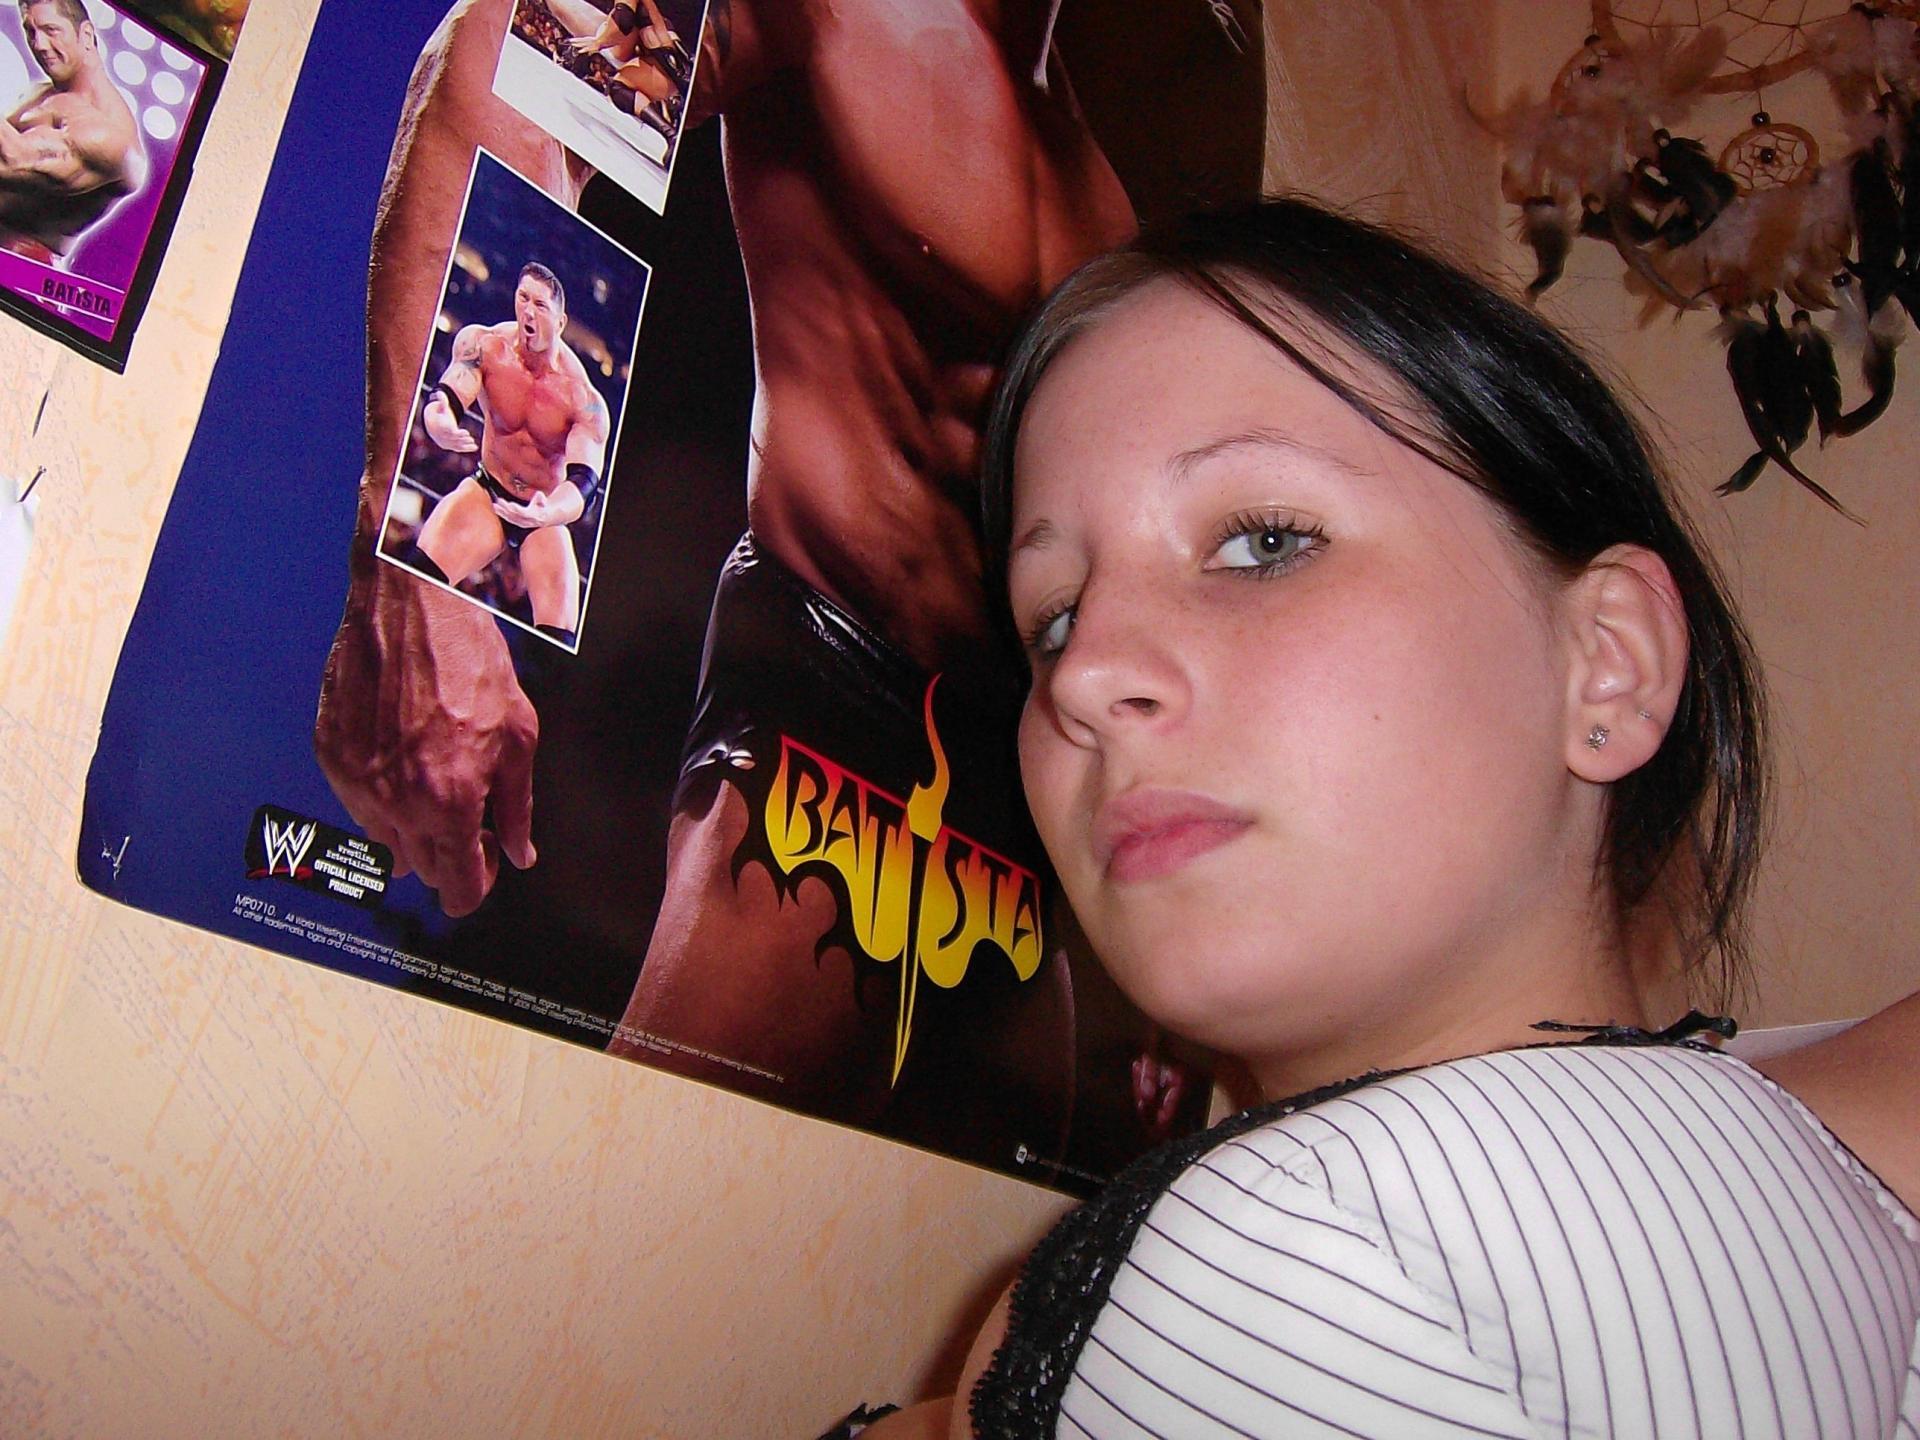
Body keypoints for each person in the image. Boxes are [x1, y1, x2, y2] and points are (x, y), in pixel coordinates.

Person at [853, 199, 1920, 1438]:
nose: (1084, 676)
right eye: (1052, 620)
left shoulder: (1294, 1260)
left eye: (1263, 542)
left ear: (1608, 664)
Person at [315, 0, 1263, 1163]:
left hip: (1019, 810)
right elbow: (502, 85)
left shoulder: (1107, 168)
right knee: (615, 1209)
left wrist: (1154, 926)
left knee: (979, 1250)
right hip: (829, 720)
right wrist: (426, 579)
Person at [398, 259, 609, 649]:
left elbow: (584, 484)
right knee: (412, 585)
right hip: (488, 492)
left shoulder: (582, 398)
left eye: (540, 305)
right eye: (523, 298)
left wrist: (547, 511)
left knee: (558, 639)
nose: (528, 311)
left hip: (543, 514)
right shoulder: (485, 345)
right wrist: (438, 422)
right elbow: (446, 396)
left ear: (560, 322)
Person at [0, 0, 146, 260]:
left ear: (86, 34)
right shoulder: (42, 92)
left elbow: (12, 161)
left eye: (51, 30)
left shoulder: (106, 135)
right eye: (30, 31)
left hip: (20, 265)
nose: (39, 44)